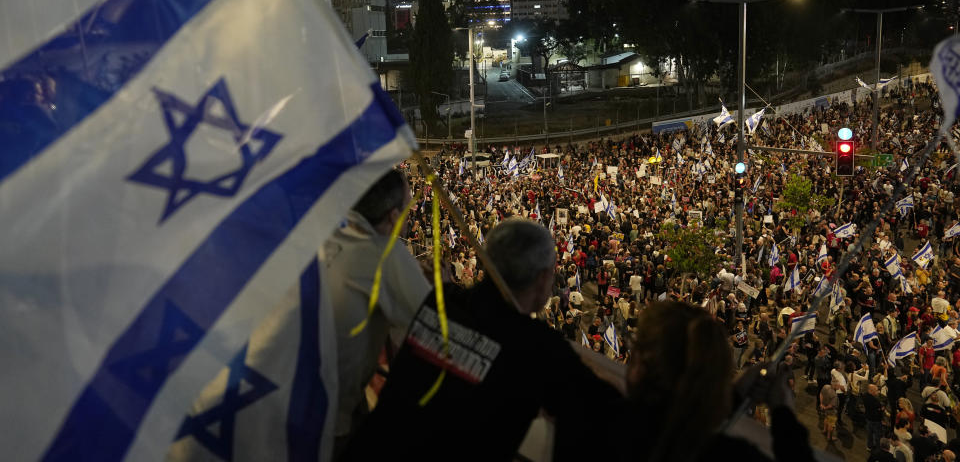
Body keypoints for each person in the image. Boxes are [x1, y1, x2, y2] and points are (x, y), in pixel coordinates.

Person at [342, 218, 622, 460]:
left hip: (367, 449)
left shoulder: (440, 300)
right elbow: (613, 412)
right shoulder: (538, 348)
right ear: (542, 278)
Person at [624, 301, 814, 461]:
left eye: (636, 346)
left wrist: (736, 395)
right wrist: (783, 412)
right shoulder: (727, 454)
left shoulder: (615, 423)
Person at [324, 169, 431, 449]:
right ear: (394, 216)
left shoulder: (325, 231)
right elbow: (437, 326)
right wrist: (443, 286)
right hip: (324, 421)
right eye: (409, 205)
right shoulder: (385, 254)